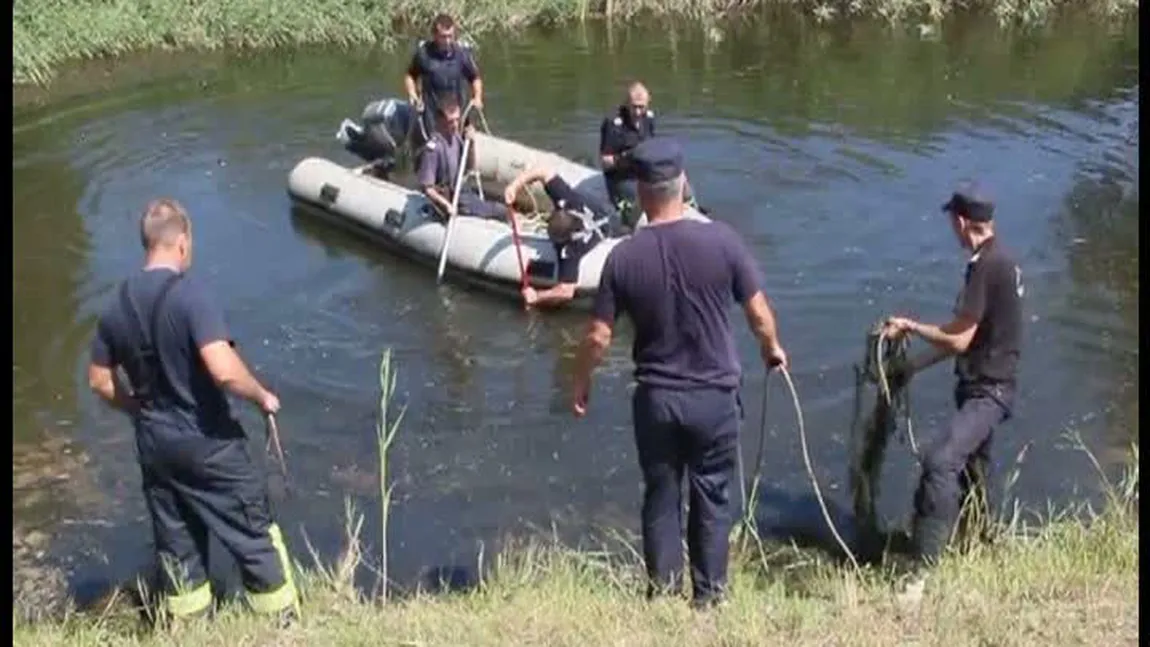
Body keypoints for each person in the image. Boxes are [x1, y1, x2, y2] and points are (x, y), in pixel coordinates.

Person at [569, 137, 788, 608]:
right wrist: (772, 350)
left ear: (642, 194)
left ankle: (663, 596)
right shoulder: (723, 241)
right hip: (714, 398)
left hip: (657, 400)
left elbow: (598, 337)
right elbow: (759, 313)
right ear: (683, 185)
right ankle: (709, 601)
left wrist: (582, 381)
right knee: (713, 495)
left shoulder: (623, 257)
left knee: (661, 494)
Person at [86, 199, 299, 625]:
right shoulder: (190, 295)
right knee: (253, 531)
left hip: (155, 445)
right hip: (208, 443)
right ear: (181, 243)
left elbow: (100, 381)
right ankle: (283, 624)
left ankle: (190, 626)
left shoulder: (116, 304)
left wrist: (135, 409)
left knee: (176, 540)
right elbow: (223, 369)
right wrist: (262, 396)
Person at [882, 181, 1024, 585]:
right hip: (992, 385)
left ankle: (921, 572)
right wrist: (916, 366)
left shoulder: (986, 266)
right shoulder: (1004, 259)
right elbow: (971, 337)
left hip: (988, 392)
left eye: (951, 222)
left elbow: (959, 337)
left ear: (962, 222)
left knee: (940, 462)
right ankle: (983, 544)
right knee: (975, 472)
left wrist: (910, 325)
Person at [502, 166, 616, 308]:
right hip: (600, 208)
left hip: (609, 224)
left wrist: (537, 296)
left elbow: (566, 291)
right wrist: (514, 186)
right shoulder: (567, 199)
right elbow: (542, 170)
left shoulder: (571, 251)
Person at [599, 82, 700, 228]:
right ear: (627, 103)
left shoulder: (649, 118)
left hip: (644, 170)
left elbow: (651, 145)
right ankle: (631, 221)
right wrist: (625, 157)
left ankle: (694, 210)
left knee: (680, 178)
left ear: (648, 103)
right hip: (622, 176)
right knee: (637, 210)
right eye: (634, 107)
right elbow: (604, 162)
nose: (638, 112)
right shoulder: (613, 122)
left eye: (642, 107)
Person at [417, 96, 504, 220]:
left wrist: (472, 144)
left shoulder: (456, 138)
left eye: (457, 120)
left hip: (461, 193)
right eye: (450, 121)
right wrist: (446, 206)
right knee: (499, 211)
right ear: (440, 120)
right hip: (449, 198)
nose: (455, 125)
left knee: (498, 207)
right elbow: (427, 188)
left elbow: (469, 167)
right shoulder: (434, 149)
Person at [403, 13, 484, 145]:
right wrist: (412, 94)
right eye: (443, 37)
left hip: (457, 114)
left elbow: (475, 78)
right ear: (434, 35)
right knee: (435, 147)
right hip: (433, 115)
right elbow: (410, 76)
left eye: (450, 36)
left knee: (459, 144)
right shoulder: (424, 54)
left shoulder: (462, 54)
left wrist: (477, 97)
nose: (447, 41)